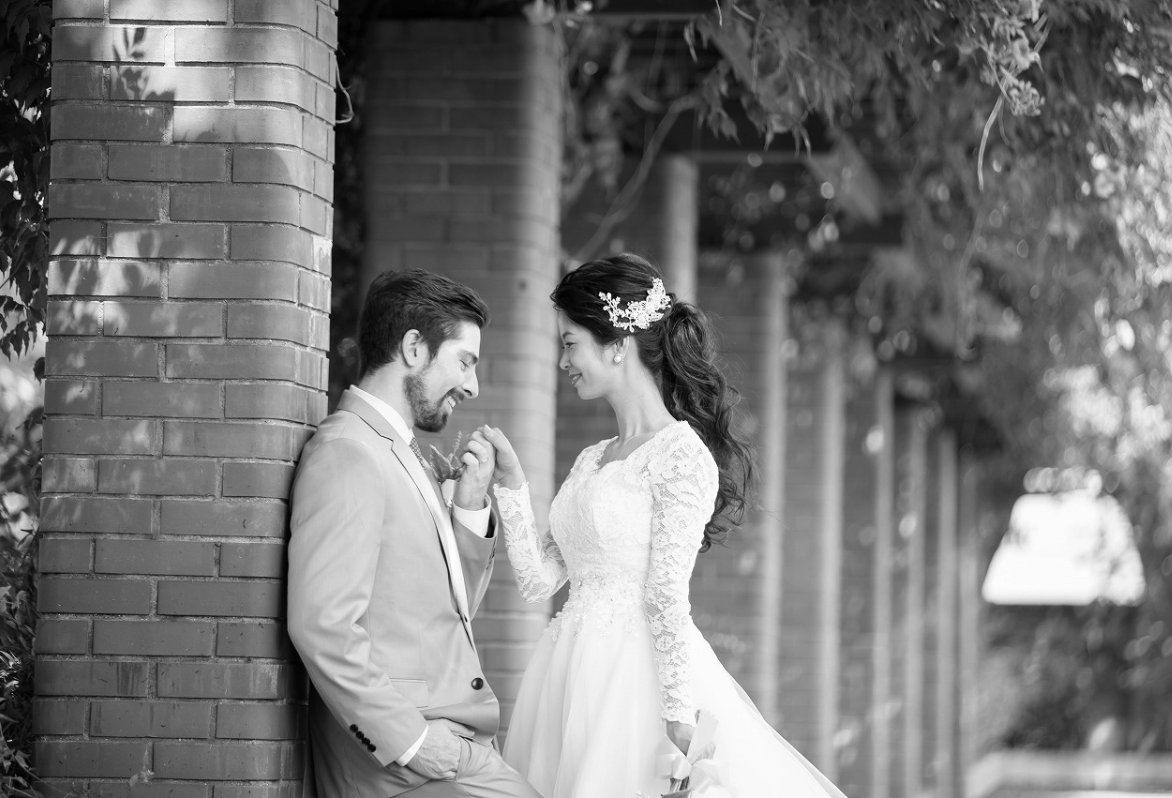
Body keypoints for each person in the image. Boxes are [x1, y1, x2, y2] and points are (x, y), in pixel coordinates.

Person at [481, 254, 847, 797]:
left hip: (637, 685)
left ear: (616, 343)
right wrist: (510, 487)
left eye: (569, 342)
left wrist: (678, 717)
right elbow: (539, 580)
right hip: (568, 676)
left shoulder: (680, 456)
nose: (563, 361)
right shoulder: (592, 459)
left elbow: (666, 593)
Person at [287, 269, 540, 798]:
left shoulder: (402, 452)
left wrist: (468, 510)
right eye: (464, 362)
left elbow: (446, 612)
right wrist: (409, 741)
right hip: (397, 766)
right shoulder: (348, 452)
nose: (472, 385)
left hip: (454, 749)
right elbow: (322, 624)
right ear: (414, 349)